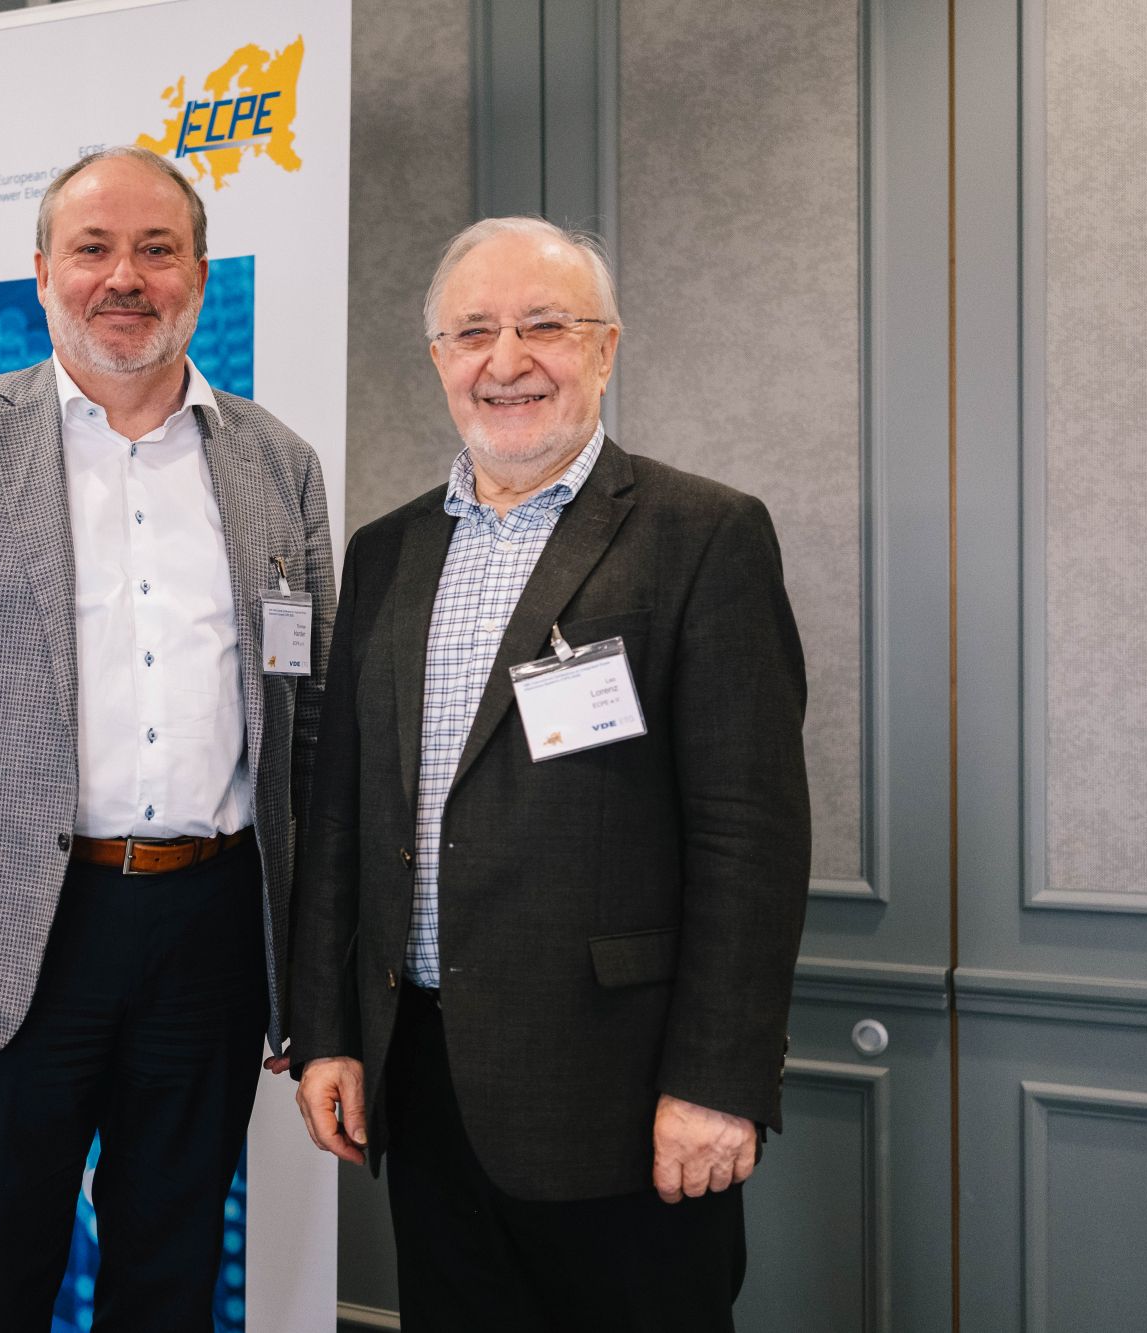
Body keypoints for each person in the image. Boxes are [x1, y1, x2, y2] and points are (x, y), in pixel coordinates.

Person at [0, 144, 335, 1330]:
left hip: (211, 934)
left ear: (197, 273)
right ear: (41, 270)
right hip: (12, 940)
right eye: (92, 249)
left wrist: (305, 968)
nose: (124, 278)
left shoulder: (277, 464)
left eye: (156, 250)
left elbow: (307, 737)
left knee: (170, 1275)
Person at [289, 217, 810, 1333]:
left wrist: (717, 1081)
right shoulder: (384, 552)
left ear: (605, 348)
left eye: (543, 325)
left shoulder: (701, 535)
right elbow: (340, 817)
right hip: (424, 1081)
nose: (505, 359)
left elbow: (749, 839)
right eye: (472, 331)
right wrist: (328, 1029)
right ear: (437, 357)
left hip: (624, 1096)